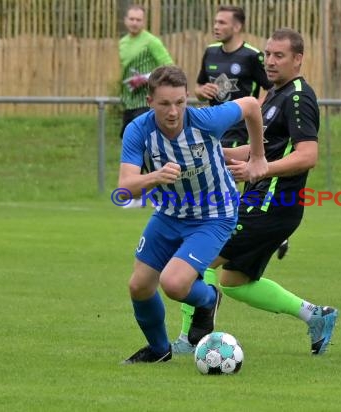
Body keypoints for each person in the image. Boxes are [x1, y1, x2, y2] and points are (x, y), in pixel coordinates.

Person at [172, 28, 339, 356]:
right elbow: (266, 147)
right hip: (262, 202)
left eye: (280, 56)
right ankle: (315, 316)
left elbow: (308, 155)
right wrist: (222, 153)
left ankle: (189, 339)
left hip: (272, 203)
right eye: (267, 54)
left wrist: (260, 169)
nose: (270, 61)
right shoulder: (276, 94)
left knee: (197, 258)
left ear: (298, 59)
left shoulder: (298, 96)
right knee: (234, 281)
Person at [119, 65, 267, 364]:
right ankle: (160, 350)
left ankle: (209, 299)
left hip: (214, 214)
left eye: (179, 102)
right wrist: (155, 177)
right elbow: (125, 188)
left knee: (173, 284)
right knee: (139, 285)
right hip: (169, 214)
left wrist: (258, 156)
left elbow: (251, 105)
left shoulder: (205, 120)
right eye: (164, 104)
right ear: (149, 102)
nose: (173, 112)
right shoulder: (138, 130)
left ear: (187, 98)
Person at [196, 5, 290, 259]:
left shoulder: (252, 56)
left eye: (222, 22)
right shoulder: (210, 52)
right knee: (225, 188)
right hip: (214, 130)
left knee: (228, 185)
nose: (216, 26)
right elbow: (199, 84)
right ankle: (265, 231)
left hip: (240, 131)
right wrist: (200, 91)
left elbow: (273, 91)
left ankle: (252, 230)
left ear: (237, 26)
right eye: (215, 21)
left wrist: (253, 112)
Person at [119, 5, 173, 140]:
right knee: (128, 140)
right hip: (128, 101)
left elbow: (169, 66)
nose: (134, 23)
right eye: (131, 19)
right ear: (125, 20)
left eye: (138, 20)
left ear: (144, 22)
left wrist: (145, 78)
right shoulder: (122, 42)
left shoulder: (151, 41)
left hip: (146, 101)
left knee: (143, 141)